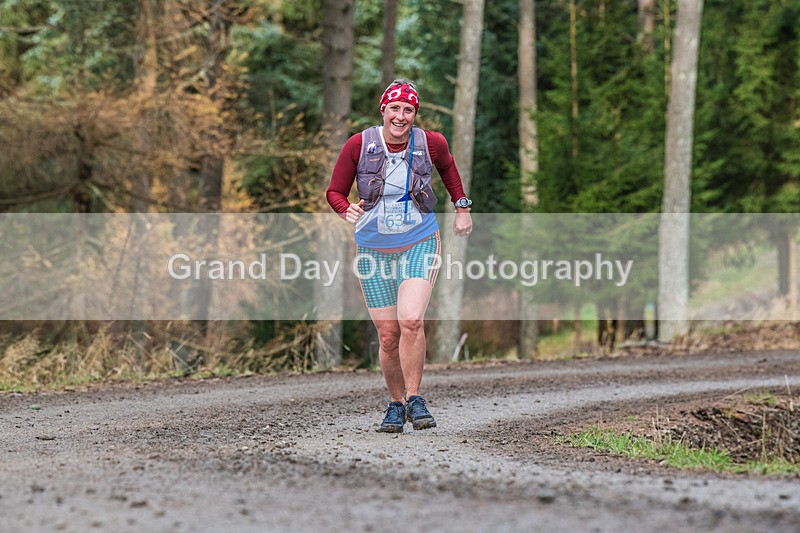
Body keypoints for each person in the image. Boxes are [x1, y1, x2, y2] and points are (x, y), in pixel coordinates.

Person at [326, 78, 473, 432]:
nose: (401, 116)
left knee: (411, 320)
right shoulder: (359, 144)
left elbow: (449, 170)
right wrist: (344, 209)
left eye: (408, 110)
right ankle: (395, 404)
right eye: (395, 108)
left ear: (414, 114)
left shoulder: (430, 143)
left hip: (420, 239)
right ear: (383, 110)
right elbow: (335, 191)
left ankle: (415, 398)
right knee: (389, 334)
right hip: (373, 246)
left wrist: (462, 206)